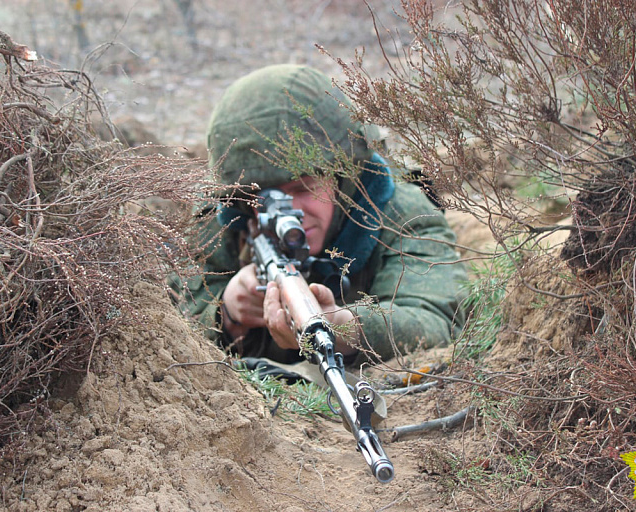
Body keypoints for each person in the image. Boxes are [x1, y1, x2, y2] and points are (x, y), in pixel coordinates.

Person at [173, 64, 467, 366]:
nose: (293, 212)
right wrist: (226, 312)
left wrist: (345, 326)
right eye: (267, 198)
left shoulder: (403, 214)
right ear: (243, 201)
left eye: (304, 188)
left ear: (343, 178)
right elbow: (162, 312)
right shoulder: (218, 221)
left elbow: (436, 320)